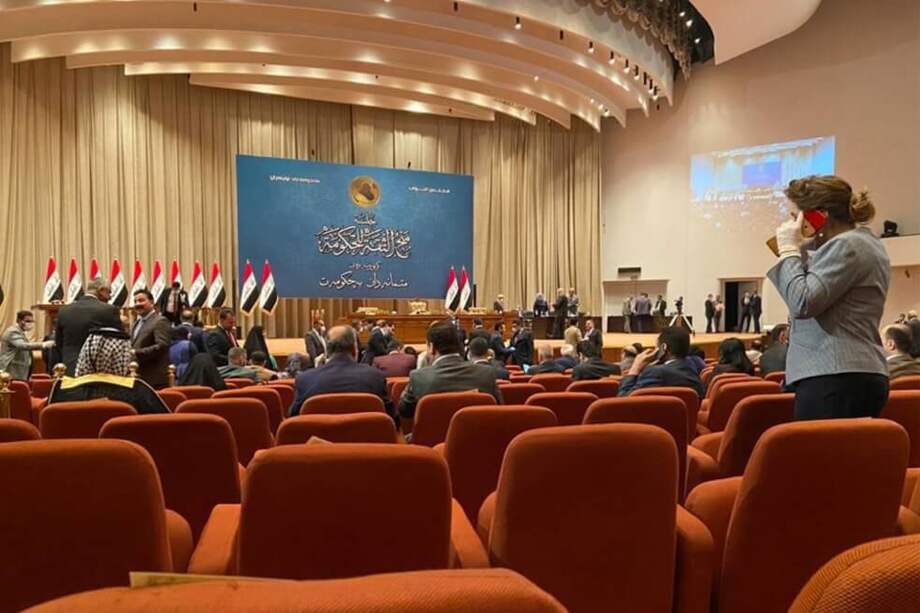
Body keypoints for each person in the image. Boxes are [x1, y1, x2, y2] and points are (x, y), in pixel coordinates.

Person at [767, 175, 890, 420]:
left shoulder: (847, 245)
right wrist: (801, 250)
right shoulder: (862, 243)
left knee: (821, 458)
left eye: (800, 213)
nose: (795, 221)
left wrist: (789, 250)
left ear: (819, 214)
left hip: (834, 376)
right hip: (849, 373)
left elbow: (803, 302)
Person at [397, 320, 502, 433]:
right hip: (476, 443)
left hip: (430, 444)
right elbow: (499, 409)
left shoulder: (418, 377)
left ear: (431, 347)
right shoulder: (486, 374)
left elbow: (404, 410)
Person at [48, 327, 169, 414]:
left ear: (86, 353)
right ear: (123, 356)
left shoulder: (61, 389)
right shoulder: (138, 390)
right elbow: (163, 426)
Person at [289, 325, 392, 418]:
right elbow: (392, 419)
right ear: (354, 349)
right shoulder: (375, 377)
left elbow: (294, 418)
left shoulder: (305, 379)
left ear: (328, 352)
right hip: (366, 437)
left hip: (318, 437)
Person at [54, 278, 122, 375]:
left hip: (70, 368)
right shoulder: (109, 310)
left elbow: (59, 342)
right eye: (109, 292)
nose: (110, 297)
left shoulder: (64, 310)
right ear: (101, 290)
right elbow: (119, 342)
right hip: (98, 370)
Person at [617, 326, 704, 397]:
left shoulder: (654, 372)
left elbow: (623, 399)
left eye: (657, 347)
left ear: (664, 348)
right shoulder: (693, 368)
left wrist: (635, 367)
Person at [128, 289, 171, 389]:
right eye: (135, 301)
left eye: (141, 300)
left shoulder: (160, 321)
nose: (137, 304)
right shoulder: (136, 323)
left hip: (154, 379)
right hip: (138, 376)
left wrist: (136, 352)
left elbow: (162, 345)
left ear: (152, 302)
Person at [0, 310, 54, 380]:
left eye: (32, 321)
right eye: (28, 321)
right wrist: (43, 344)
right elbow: (23, 346)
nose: (30, 323)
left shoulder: (20, 332)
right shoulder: (13, 331)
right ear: (19, 320)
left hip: (18, 370)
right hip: (12, 370)